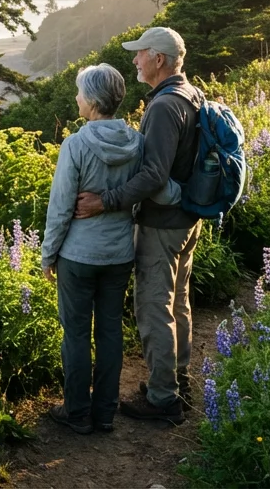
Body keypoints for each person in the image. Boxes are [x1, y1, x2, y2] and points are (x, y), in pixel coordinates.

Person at [74, 26, 202, 426]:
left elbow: (153, 175)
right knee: (178, 301)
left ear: (158, 59)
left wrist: (105, 201)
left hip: (162, 223)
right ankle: (177, 381)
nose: (134, 60)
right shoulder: (190, 94)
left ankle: (163, 399)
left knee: (153, 309)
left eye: (140, 53)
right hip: (186, 219)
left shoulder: (164, 107)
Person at [40, 63, 159, 435]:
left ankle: (76, 413)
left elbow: (60, 207)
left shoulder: (75, 144)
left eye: (79, 92)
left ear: (91, 101)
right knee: (109, 332)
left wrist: (48, 254)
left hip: (78, 255)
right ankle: (105, 414)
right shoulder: (138, 142)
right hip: (119, 253)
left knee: (75, 333)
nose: (76, 98)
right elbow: (143, 192)